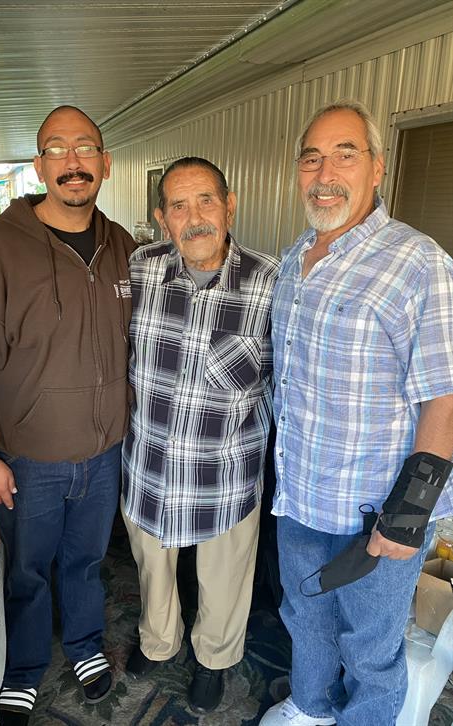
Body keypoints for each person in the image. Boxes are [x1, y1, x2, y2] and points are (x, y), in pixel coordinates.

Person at [0, 105, 136, 726]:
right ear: (39, 165)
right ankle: (23, 668)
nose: (73, 161)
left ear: (105, 163)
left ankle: (84, 645)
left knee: (85, 562)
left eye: (85, 147)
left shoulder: (123, 246)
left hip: (104, 454)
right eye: (57, 149)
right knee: (26, 570)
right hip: (26, 459)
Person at [260, 99, 453, 726]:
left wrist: (408, 516)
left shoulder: (418, 263)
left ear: (377, 166)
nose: (325, 174)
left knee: (371, 646)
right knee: (305, 617)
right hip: (300, 495)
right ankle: (311, 707)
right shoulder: (294, 259)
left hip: (376, 508)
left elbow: (445, 395)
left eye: (345, 154)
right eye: (312, 158)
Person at [122, 157, 279, 713]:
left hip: (226, 471)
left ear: (230, 205)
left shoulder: (272, 281)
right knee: (153, 570)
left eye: (206, 200)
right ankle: (158, 642)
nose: (194, 218)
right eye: (179, 206)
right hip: (150, 462)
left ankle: (213, 658)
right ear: (162, 218)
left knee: (226, 576)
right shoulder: (141, 270)